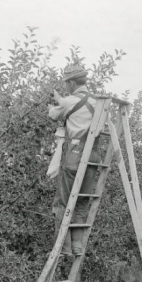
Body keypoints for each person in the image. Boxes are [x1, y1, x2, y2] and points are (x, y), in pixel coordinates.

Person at [48, 64, 101, 256]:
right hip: (93, 157)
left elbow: (53, 114)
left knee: (62, 203)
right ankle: (77, 246)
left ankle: (63, 247)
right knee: (81, 202)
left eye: (67, 83)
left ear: (71, 82)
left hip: (75, 155)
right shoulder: (98, 102)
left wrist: (55, 103)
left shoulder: (68, 101)